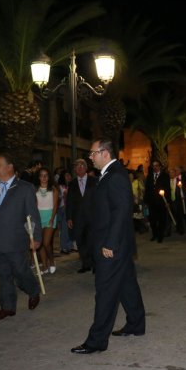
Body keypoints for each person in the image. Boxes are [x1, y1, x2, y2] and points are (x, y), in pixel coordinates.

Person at [71, 138, 145, 354]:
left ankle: (96, 341)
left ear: (105, 153)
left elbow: (122, 212)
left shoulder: (116, 176)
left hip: (112, 246)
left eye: (92, 153)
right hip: (116, 244)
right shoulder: (107, 175)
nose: (90, 157)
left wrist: (110, 243)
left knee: (104, 292)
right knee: (127, 285)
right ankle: (136, 323)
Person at [0, 152, 42, 320]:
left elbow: (32, 215)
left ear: (10, 167)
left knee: (20, 271)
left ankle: (33, 289)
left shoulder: (25, 188)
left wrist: (35, 237)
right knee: (4, 275)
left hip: (16, 239)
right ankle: (7, 307)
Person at [66, 159, 97, 273]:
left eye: (82, 166)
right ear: (75, 169)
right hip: (78, 218)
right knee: (80, 241)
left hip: (92, 216)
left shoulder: (94, 181)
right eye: (77, 166)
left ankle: (95, 264)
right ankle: (86, 264)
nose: (79, 168)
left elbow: (99, 199)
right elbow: (69, 201)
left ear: (86, 168)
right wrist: (68, 217)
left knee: (92, 241)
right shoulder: (72, 183)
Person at [36, 167, 58, 274]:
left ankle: (52, 261)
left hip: (50, 216)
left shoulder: (53, 189)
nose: (44, 177)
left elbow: (55, 206)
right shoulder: (35, 189)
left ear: (49, 177)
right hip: (38, 217)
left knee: (46, 243)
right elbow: (35, 206)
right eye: (41, 175)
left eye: (46, 175)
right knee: (40, 243)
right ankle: (44, 266)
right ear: (39, 177)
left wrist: (52, 218)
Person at [144, 160, 170, 243]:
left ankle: (160, 236)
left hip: (161, 202)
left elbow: (168, 189)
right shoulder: (149, 176)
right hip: (152, 202)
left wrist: (167, 201)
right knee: (152, 220)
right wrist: (146, 201)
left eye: (156, 165)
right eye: (153, 166)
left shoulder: (165, 176)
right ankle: (154, 234)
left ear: (160, 166)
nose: (155, 167)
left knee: (161, 220)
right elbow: (147, 189)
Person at [57, 170, 74, 254]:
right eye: (67, 175)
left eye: (69, 175)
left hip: (70, 209)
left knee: (69, 228)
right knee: (64, 228)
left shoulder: (71, 186)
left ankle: (70, 246)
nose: (69, 177)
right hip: (62, 209)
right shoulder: (60, 186)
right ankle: (64, 247)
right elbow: (58, 199)